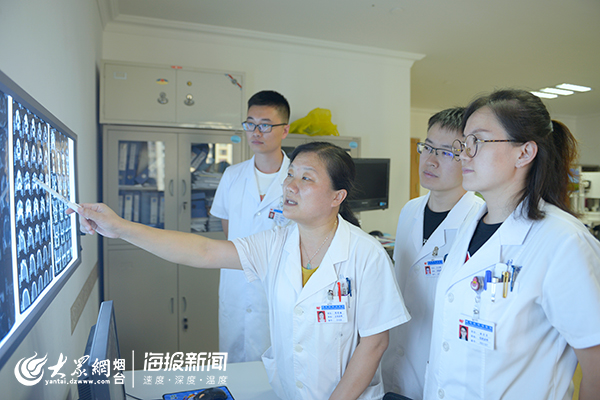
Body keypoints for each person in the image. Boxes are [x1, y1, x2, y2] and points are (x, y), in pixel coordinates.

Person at [74, 142, 409, 400]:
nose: (290, 186)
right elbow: (203, 251)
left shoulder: (366, 253)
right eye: (290, 174)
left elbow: (375, 343)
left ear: (337, 196)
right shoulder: (277, 242)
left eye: (306, 178)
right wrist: (121, 228)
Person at [423, 89, 600, 399]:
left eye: (478, 141)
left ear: (524, 153)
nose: (464, 154)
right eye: (464, 142)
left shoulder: (563, 241)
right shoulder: (469, 223)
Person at [381, 107, 484, 399]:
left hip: (443, 372)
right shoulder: (410, 210)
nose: (430, 160)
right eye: (427, 147)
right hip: (394, 361)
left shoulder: (479, 220)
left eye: (447, 152)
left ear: (469, 157)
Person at [210, 90, 291, 362]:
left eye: (265, 125)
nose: (256, 132)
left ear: (284, 130)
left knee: (278, 364)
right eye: (250, 124)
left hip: (278, 286)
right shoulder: (232, 176)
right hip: (236, 285)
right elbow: (228, 229)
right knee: (234, 367)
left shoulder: (298, 179)